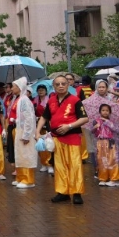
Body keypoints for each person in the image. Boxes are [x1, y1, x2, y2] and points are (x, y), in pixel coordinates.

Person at [37, 76, 88, 204]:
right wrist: (37, 132)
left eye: (63, 84)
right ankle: (62, 192)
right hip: (57, 138)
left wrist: (69, 126)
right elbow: (44, 117)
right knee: (59, 166)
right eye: (58, 84)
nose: (60, 86)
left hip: (72, 137)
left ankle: (77, 192)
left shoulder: (75, 100)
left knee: (74, 165)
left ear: (67, 85)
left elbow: (84, 118)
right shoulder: (51, 100)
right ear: (53, 86)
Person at [9, 77, 36, 189]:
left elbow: (29, 118)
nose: (11, 88)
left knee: (26, 155)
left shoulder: (24, 100)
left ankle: (28, 180)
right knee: (20, 155)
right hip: (20, 129)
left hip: (25, 132)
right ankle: (20, 177)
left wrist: (26, 135)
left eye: (13, 86)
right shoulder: (18, 99)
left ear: (19, 87)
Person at [92, 104, 119, 186]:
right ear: (100, 111)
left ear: (110, 112)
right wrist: (95, 127)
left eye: (107, 110)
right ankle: (103, 178)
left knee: (112, 160)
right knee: (101, 161)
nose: (105, 112)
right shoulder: (96, 121)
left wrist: (107, 122)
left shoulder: (112, 121)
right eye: (103, 110)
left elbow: (116, 130)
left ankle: (114, 178)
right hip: (100, 143)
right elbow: (94, 132)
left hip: (110, 143)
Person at [32, 85, 53, 174]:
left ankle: (50, 164)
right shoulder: (35, 101)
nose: (41, 92)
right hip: (38, 125)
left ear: (46, 91)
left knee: (48, 145)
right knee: (40, 146)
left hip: (47, 125)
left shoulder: (49, 101)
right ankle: (43, 164)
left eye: (42, 90)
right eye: (39, 90)